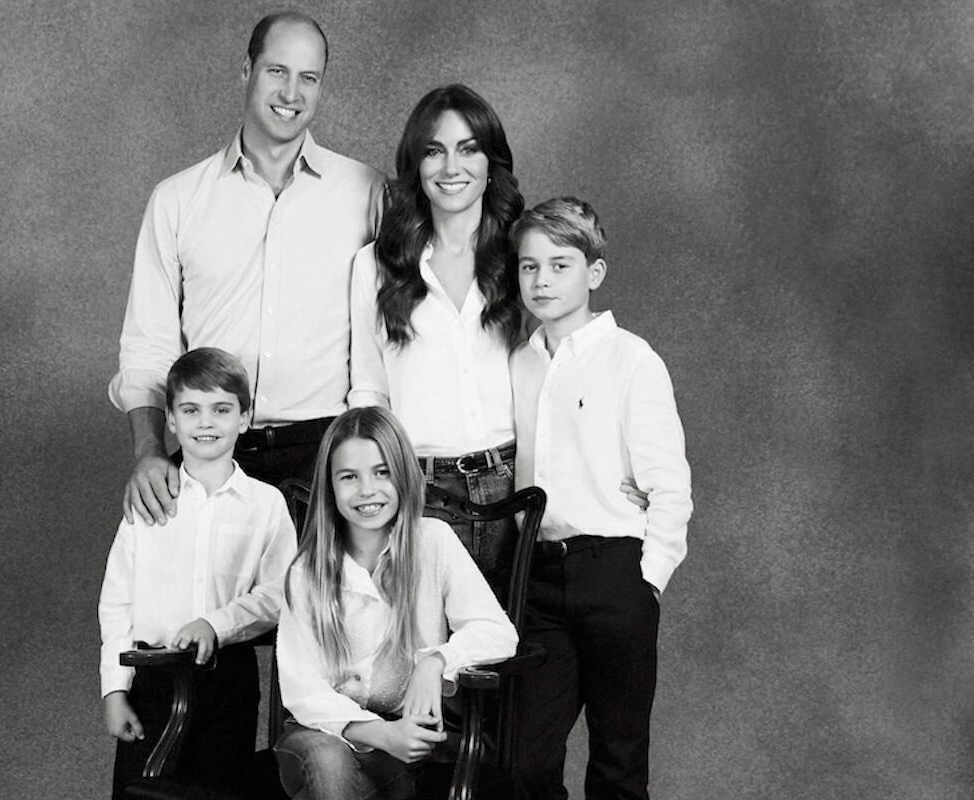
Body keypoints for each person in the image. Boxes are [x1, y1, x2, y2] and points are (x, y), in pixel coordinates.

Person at [111, 11, 383, 526]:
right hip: (211, 452)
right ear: (246, 71)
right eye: (277, 71)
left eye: (309, 77)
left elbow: (396, 330)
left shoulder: (366, 193)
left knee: (322, 608)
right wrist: (148, 450)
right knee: (202, 608)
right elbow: (148, 345)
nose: (292, 93)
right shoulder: (177, 200)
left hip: (325, 458)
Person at [507, 197, 693, 800]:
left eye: (559, 265)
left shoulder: (632, 359)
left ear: (593, 273)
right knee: (524, 764)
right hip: (537, 575)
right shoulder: (519, 362)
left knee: (617, 764)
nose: (541, 280)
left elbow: (669, 482)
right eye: (529, 266)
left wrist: (647, 580)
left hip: (615, 570)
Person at [273, 406, 518, 800]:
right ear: (330, 487)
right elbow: (303, 689)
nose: (367, 489)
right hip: (317, 733)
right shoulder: (309, 569)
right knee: (328, 761)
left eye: (381, 472)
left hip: (403, 746)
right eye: (349, 477)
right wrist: (380, 733)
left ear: (403, 475)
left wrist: (436, 660)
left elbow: (497, 632)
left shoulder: (432, 541)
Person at [98, 347, 297, 799]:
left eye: (221, 410)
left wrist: (217, 624)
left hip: (227, 681)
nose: (206, 423)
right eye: (191, 410)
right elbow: (116, 603)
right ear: (170, 419)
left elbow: (280, 593)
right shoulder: (149, 498)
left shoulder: (266, 504)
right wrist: (114, 690)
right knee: (143, 794)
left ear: (244, 418)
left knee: (217, 792)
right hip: (152, 677)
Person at [348, 84, 524, 580]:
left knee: (510, 647)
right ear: (415, 165)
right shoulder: (375, 266)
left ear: (492, 165)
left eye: (469, 150)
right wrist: (375, 485)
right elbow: (368, 390)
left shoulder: (521, 258)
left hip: (516, 486)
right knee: (426, 650)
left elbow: (560, 369)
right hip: (419, 490)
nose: (451, 168)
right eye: (434, 151)